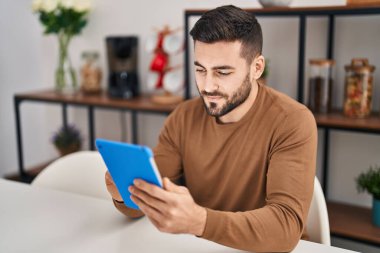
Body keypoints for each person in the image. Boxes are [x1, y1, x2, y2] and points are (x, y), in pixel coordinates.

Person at [105, 5, 317, 253]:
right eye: (200, 70)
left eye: (222, 72)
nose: (207, 86)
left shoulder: (292, 121)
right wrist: (122, 193)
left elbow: (285, 227)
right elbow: (149, 201)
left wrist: (200, 221)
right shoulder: (183, 117)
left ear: (256, 68)